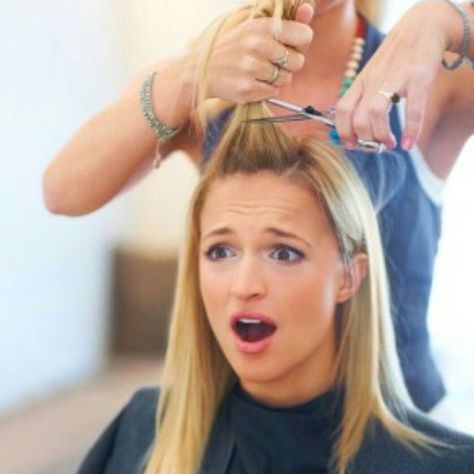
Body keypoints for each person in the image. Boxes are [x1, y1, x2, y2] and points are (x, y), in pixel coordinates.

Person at [43, 0, 474, 413]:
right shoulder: (204, 88)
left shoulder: (434, 75)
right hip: (254, 438)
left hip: (405, 433)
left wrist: (444, 21)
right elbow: (64, 191)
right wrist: (191, 77)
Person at [78, 112, 474, 474]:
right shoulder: (142, 430)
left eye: (283, 253)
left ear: (349, 278)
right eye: (221, 251)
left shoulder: (449, 465)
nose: (245, 286)